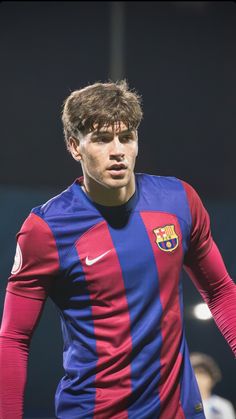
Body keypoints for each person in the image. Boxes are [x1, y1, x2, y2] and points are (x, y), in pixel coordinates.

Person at [0, 80, 235, 419]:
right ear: (74, 146)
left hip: (180, 410)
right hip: (95, 412)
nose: (117, 150)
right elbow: (14, 337)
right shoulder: (45, 230)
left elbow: (220, 291)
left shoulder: (179, 202)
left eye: (126, 137)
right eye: (101, 139)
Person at [190, 352, 235, 419]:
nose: (199, 380)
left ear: (212, 379)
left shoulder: (223, 405)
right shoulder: (182, 406)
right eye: (195, 375)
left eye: (202, 375)